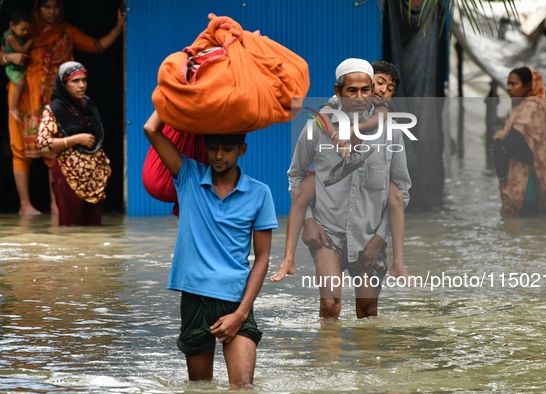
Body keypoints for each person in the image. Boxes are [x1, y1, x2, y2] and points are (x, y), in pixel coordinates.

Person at [143, 111, 278, 388]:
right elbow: (151, 129)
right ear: (204, 147)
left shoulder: (260, 193)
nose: (219, 155)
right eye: (213, 147)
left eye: (227, 149)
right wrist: (180, 84)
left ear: (242, 150)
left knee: (243, 388)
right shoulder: (188, 176)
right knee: (200, 387)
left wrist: (241, 314)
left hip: (235, 301)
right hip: (194, 299)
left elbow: (263, 258)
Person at [286, 58, 411, 319]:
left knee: (367, 310)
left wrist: (380, 237)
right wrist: (308, 221)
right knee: (329, 305)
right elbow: (296, 176)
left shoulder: (392, 132)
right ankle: (329, 362)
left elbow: (401, 191)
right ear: (338, 91)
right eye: (351, 91)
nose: (360, 97)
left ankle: (367, 360)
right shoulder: (316, 129)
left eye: (366, 90)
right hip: (328, 232)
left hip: (369, 234)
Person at [0, 0, 125, 215]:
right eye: (47, 7)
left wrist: (118, 28)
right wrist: (9, 56)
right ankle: (25, 205)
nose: (52, 11)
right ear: (37, 9)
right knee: (19, 149)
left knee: (55, 151)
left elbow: (97, 46)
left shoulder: (66, 32)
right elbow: (4, 53)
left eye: (56, 6)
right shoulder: (27, 30)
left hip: (54, 100)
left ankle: (56, 204)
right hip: (23, 98)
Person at [36, 62, 110, 226]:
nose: (81, 85)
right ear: (63, 84)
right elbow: (43, 143)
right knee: (71, 228)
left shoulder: (87, 105)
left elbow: (96, 136)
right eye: (75, 81)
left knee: (95, 229)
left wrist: (103, 163)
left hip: (94, 177)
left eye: (84, 80)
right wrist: (75, 139)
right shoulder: (54, 110)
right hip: (68, 175)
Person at [492, 66, 546, 217]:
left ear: (528, 86)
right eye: (508, 84)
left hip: (529, 177)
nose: (509, 88)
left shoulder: (533, 108)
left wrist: (501, 141)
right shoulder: (521, 108)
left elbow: (520, 142)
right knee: (525, 227)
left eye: (514, 84)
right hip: (519, 173)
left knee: (527, 220)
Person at [2, 9, 35, 123]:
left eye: (28, 30)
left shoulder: (17, 34)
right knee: (21, 84)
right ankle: (14, 108)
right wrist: (31, 39)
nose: (25, 32)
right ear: (12, 25)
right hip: (12, 68)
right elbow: (22, 50)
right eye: (23, 29)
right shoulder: (10, 37)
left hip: (19, 67)